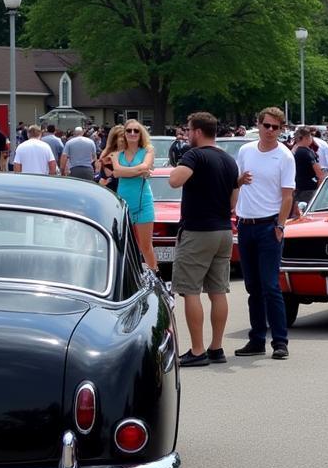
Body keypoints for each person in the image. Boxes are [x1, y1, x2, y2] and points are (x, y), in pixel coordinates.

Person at [168, 112, 240, 367]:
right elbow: (233, 201)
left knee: (189, 291)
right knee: (218, 291)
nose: (186, 134)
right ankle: (216, 347)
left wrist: (180, 164)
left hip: (198, 230)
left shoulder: (194, 155)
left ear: (197, 131)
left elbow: (175, 180)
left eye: (188, 130)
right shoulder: (229, 161)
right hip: (223, 231)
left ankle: (197, 350)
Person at [234, 106, 295, 361]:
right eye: (266, 125)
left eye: (276, 127)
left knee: (271, 285)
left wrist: (280, 225)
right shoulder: (246, 150)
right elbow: (235, 183)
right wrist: (240, 182)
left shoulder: (284, 156)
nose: (270, 131)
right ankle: (257, 338)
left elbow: (287, 195)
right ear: (258, 125)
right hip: (246, 224)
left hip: (269, 225)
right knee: (252, 287)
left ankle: (280, 341)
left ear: (281, 130)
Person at [112, 121, 157, 271]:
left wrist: (125, 171)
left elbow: (146, 166)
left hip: (143, 202)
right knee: (125, 246)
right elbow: (116, 172)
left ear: (140, 133)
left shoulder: (148, 150)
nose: (132, 133)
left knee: (145, 246)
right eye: (129, 130)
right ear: (124, 133)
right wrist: (139, 171)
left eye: (136, 131)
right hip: (123, 203)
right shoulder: (118, 154)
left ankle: (155, 276)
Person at [292, 126, 325, 206]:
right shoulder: (306, 153)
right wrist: (320, 190)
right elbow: (319, 174)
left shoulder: (295, 150)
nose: (311, 138)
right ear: (305, 138)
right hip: (308, 190)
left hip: (299, 187)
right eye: (310, 136)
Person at [97, 125, 125, 193]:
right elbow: (111, 178)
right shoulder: (109, 158)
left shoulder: (131, 154)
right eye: (122, 137)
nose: (125, 139)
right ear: (115, 140)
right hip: (114, 193)